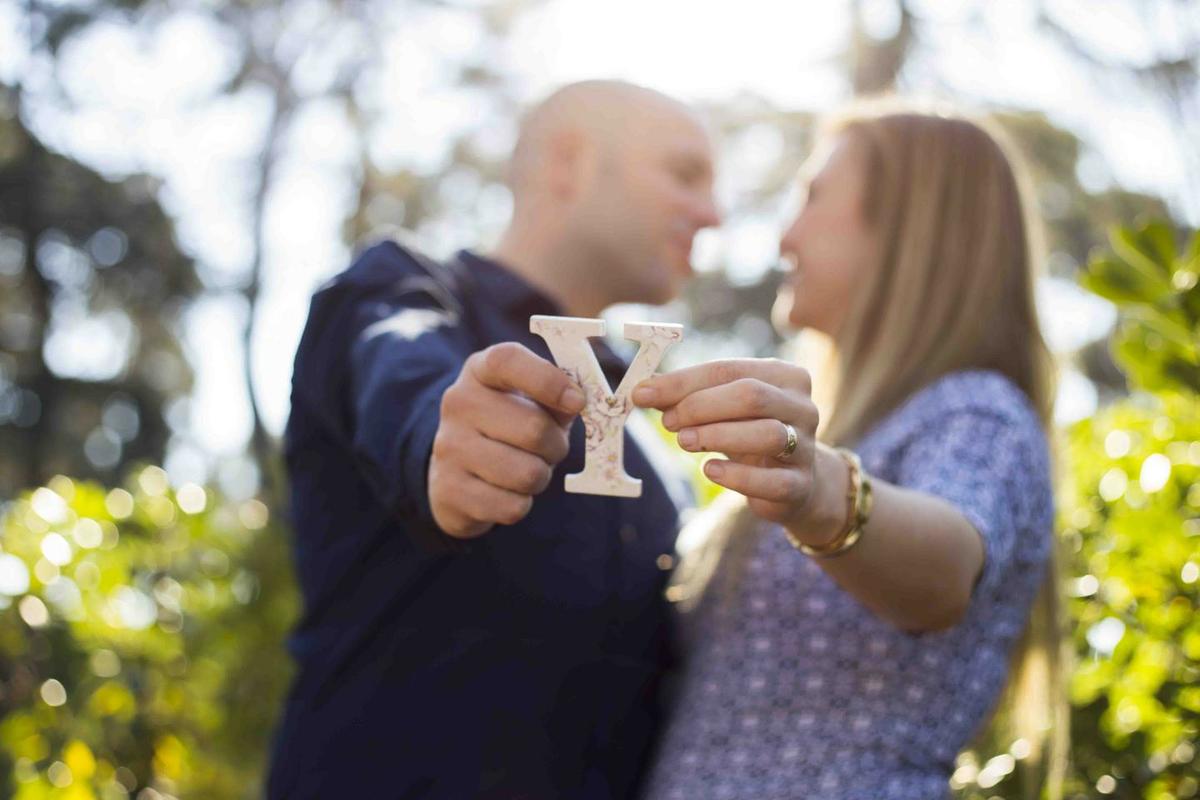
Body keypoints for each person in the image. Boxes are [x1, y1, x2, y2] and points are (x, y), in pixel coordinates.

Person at [267, 80, 721, 799]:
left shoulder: (652, 443)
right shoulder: (400, 295)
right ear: (570, 161)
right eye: (685, 174)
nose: (714, 212)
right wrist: (435, 437)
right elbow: (399, 366)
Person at [634, 104, 1066, 799]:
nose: (784, 235)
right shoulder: (853, 431)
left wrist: (825, 495)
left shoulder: (976, 414)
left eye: (811, 197)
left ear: (910, 231)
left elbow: (946, 569)